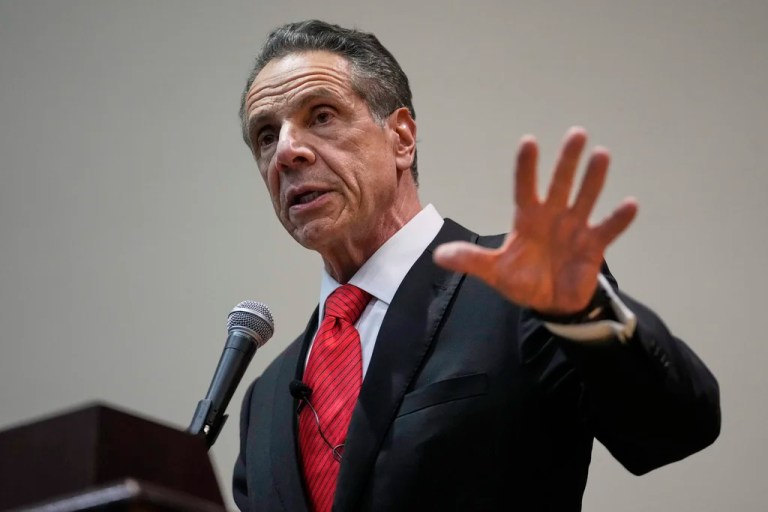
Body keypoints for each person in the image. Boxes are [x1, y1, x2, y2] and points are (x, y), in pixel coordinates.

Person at [232, 20, 720, 512]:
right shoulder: (265, 402)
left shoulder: (525, 297)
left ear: (401, 137)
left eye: (321, 116)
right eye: (267, 135)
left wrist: (586, 310)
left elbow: (674, 428)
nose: (287, 152)